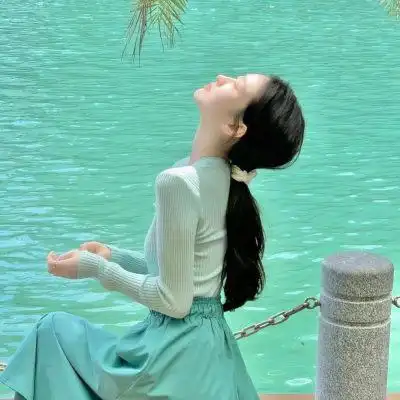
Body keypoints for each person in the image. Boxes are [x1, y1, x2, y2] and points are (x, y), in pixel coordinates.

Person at [0, 73, 305, 400]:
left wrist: (95, 268)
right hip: (208, 348)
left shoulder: (180, 182)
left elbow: (174, 301)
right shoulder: (221, 178)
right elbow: (186, 275)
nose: (222, 77)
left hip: (173, 352)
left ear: (235, 127)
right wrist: (114, 257)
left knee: (51, 332)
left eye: (236, 85)